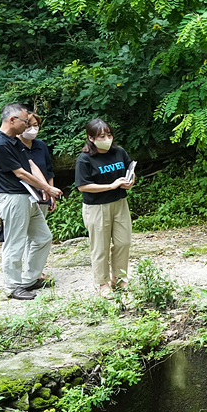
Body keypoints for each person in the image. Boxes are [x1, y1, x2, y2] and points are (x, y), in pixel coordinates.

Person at [0, 103, 60, 300]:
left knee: (43, 237)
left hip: (28, 198)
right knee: (15, 243)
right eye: (25, 121)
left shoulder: (14, 142)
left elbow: (30, 165)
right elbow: (20, 173)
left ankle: (29, 279)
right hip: (13, 199)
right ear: (12, 120)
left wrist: (46, 189)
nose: (28, 125)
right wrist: (47, 188)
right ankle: (12, 287)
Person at [74, 119, 136, 294]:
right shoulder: (85, 159)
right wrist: (110, 186)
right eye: (102, 136)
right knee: (100, 246)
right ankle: (102, 283)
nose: (107, 138)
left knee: (123, 242)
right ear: (91, 138)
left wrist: (130, 182)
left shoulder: (119, 152)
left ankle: (120, 278)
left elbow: (130, 171)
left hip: (120, 203)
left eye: (109, 135)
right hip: (97, 207)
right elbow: (82, 186)